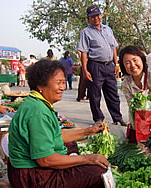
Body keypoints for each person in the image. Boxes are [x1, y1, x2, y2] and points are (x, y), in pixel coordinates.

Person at [8, 59, 109, 187]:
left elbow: (56, 136)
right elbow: (45, 160)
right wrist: (88, 158)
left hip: (29, 171)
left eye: (63, 82)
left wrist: (89, 131)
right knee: (98, 172)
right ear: (40, 85)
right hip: (32, 177)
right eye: (59, 83)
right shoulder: (38, 111)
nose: (63, 87)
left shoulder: (39, 103)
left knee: (71, 145)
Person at [77, 5, 127, 126]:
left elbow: (113, 47)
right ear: (88, 18)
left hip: (109, 65)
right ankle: (98, 118)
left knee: (113, 93)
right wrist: (85, 69)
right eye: (92, 17)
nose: (96, 18)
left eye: (98, 15)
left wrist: (117, 64)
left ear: (101, 16)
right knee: (94, 94)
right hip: (95, 66)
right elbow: (83, 51)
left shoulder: (108, 29)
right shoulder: (86, 32)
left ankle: (117, 117)